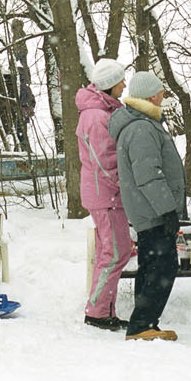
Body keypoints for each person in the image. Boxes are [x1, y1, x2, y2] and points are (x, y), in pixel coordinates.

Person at [112, 68, 184, 341]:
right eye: (161, 95)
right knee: (162, 267)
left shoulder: (141, 123)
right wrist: (167, 210)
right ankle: (142, 325)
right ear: (151, 97)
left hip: (148, 209)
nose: (162, 99)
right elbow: (149, 175)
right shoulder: (141, 127)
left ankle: (145, 323)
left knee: (152, 266)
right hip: (153, 210)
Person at [78, 58, 137, 332]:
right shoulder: (97, 116)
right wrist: (123, 187)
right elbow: (105, 162)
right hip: (107, 197)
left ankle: (103, 310)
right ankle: (97, 312)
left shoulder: (103, 110)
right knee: (114, 253)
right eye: (120, 80)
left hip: (107, 196)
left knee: (113, 251)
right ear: (108, 85)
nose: (124, 85)